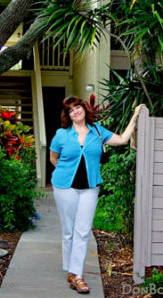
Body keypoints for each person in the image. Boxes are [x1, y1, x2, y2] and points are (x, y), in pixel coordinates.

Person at [50, 95, 145, 294]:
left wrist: (135, 116)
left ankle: (77, 275)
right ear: (68, 115)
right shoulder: (61, 134)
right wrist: (66, 173)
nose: (75, 111)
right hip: (64, 187)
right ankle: (70, 269)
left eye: (78, 107)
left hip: (90, 188)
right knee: (68, 231)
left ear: (84, 109)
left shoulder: (97, 131)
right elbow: (53, 158)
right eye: (71, 110)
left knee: (83, 231)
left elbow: (122, 139)